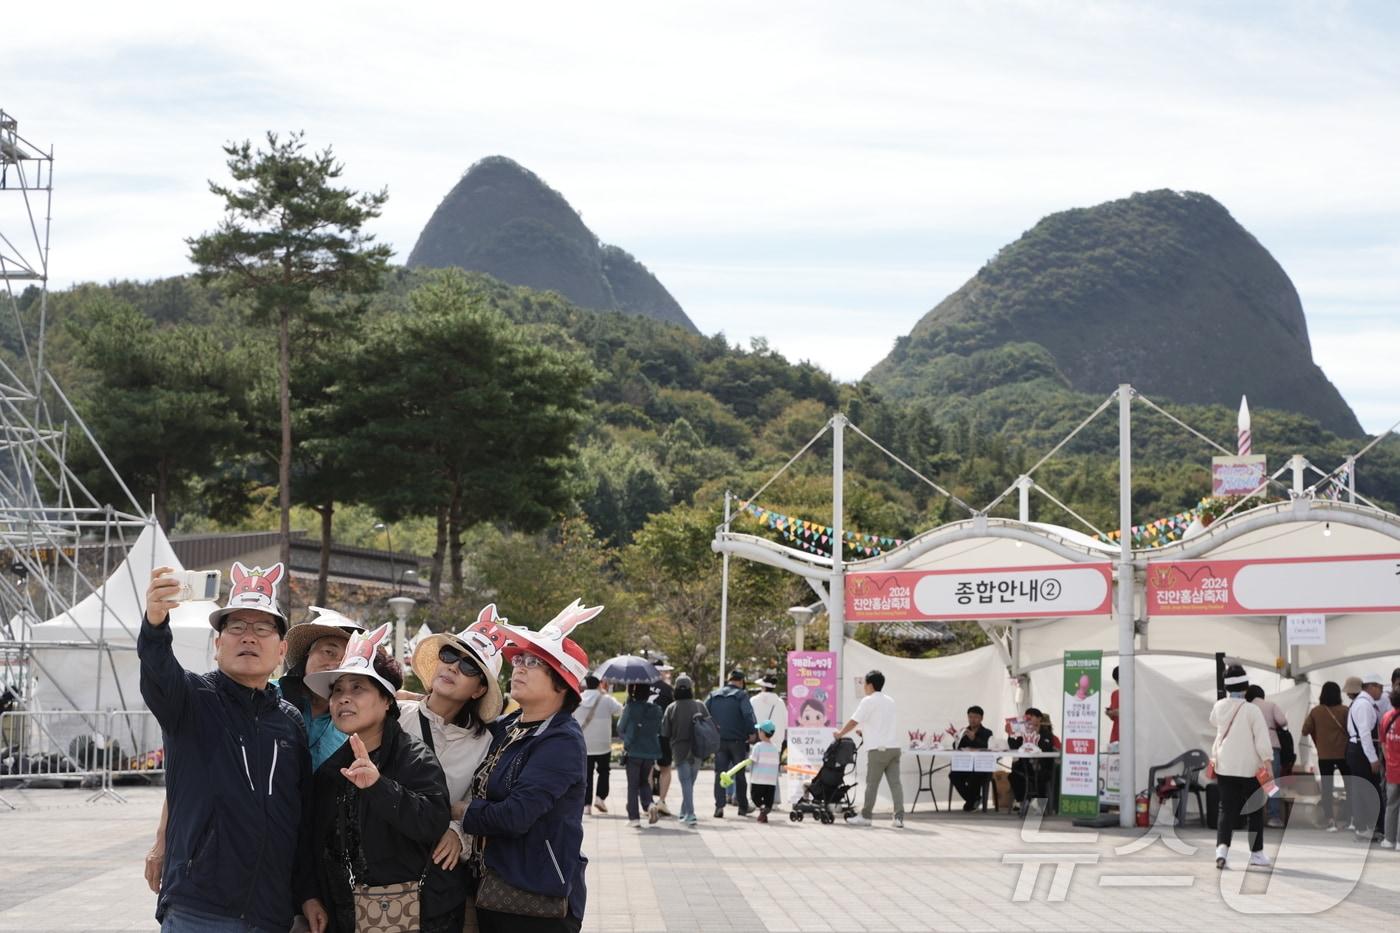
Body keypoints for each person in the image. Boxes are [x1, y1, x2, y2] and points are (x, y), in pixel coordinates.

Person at [138, 562, 319, 933]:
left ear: (281, 649)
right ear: (218, 645)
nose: (248, 637)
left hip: (271, 912)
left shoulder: (289, 723)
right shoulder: (190, 700)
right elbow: (158, 671)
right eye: (236, 627)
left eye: (262, 628)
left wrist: (307, 893)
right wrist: (155, 624)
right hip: (200, 909)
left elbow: (298, 818)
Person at [142, 604, 365, 896]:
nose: (334, 662)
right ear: (303, 654)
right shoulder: (263, 696)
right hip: (219, 876)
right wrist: (163, 838)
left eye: (346, 656)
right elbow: (193, 770)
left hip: (303, 865)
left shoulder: (358, 716)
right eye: (328, 650)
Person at [303, 624, 457, 932]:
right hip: (342, 916)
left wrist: (379, 786)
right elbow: (310, 840)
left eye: (357, 688)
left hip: (411, 916)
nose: (343, 698)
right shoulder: (331, 770)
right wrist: (309, 895)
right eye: (337, 690)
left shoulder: (415, 757)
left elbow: (432, 822)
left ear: (387, 700)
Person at [461, 599, 598, 933]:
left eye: (533, 662)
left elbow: (515, 816)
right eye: (519, 659)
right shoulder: (509, 725)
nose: (518, 667)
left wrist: (459, 811)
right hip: (488, 886)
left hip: (533, 899)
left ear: (562, 683)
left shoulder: (561, 741)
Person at [400, 603, 506, 920]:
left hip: (435, 881)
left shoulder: (486, 744)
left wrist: (458, 832)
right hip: (379, 868)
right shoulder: (394, 718)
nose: (454, 667)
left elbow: (477, 801)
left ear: (479, 690)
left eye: (470, 667)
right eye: (449, 655)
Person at [1211, 665, 1274, 869]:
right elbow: (1262, 741)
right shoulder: (1252, 710)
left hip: (1225, 766)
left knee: (1226, 809)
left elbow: (1213, 722)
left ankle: (1221, 851)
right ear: (1246, 687)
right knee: (1254, 810)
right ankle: (1256, 853)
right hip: (1249, 768)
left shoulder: (1219, 706)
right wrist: (1268, 763)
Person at [835, 669, 905, 828]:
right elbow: (881, 724)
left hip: (878, 751)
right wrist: (864, 731)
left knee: (872, 784)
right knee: (895, 784)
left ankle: (866, 816)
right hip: (894, 748)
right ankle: (899, 818)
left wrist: (840, 734)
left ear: (870, 685)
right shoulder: (890, 701)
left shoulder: (868, 701)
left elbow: (854, 721)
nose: (864, 687)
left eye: (865, 684)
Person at [708, 669, 758, 818]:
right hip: (737, 742)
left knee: (720, 774)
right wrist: (751, 732)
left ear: (729, 680)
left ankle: (719, 807)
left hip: (720, 741)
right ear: (741, 682)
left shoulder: (714, 695)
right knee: (739, 774)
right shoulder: (741, 696)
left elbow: (704, 712)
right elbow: (748, 714)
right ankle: (742, 806)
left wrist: (712, 730)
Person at [1301, 681, 1351, 831]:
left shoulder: (1316, 711)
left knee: (1327, 789)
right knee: (1351, 787)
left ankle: (1330, 820)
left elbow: (1305, 730)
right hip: (1344, 754)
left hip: (1325, 755)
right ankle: (1350, 819)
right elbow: (1351, 731)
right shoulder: (1345, 710)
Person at [660, 674, 708, 826]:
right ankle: (684, 812)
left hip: (679, 750)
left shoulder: (672, 708)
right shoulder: (699, 705)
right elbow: (709, 724)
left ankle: (690, 813)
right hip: (698, 749)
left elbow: (665, 732)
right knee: (690, 783)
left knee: (686, 783)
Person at [1346, 672, 1387, 843]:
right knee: (1369, 790)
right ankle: (1369, 827)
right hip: (1361, 750)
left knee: (1363, 789)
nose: (1381, 692)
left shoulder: (1363, 703)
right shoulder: (1364, 705)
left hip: (1358, 749)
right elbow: (1364, 734)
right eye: (1380, 688)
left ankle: (1365, 826)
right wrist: (1373, 758)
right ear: (1371, 686)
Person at [574, 674, 622, 815]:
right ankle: (600, 798)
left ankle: (586, 805)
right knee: (604, 771)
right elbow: (619, 710)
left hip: (584, 744)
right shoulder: (606, 699)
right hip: (603, 744)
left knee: (586, 775)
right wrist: (605, 693)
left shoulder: (579, 699)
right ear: (599, 684)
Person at [619, 682, 663, 827]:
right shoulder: (657, 709)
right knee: (644, 781)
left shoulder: (630, 708)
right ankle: (649, 804)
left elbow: (620, 727)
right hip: (650, 752)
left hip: (633, 752)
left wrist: (627, 739)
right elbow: (659, 729)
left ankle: (634, 818)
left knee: (632, 785)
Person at [1245, 685, 1289, 827]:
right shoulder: (1270, 705)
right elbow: (1283, 721)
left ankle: (1248, 815)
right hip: (1271, 745)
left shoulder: (1246, 707)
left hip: (1251, 746)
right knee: (1271, 782)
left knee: (1250, 781)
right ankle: (1273, 817)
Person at [1007, 707, 1061, 813]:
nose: (1028, 720)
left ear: (1039, 719)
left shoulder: (1047, 734)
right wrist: (1010, 734)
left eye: (1031, 718)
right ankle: (1022, 801)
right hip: (1024, 766)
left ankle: (1038, 807)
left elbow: (1046, 749)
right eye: (1026, 718)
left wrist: (1034, 735)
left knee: (1039, 778)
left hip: (1042, 767)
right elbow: (1014, 746)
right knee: (1013, 776)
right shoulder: (1022, 733)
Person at [951, 705, 993, 811]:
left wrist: (974, 738)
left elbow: (988, 747)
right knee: (953, 775)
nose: (972, 720)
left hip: (982, 766)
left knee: (974, 775)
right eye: (970, 717)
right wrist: (957, 738)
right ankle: (974, 799)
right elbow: (957, 748)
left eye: (975, 717)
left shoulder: (987, 732)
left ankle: (971, 801)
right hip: (966, 765)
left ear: (981, 718)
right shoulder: (964, 731)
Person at [648, 664, 676, 813]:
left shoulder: (641, 686)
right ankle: (661, 801)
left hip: (645, 734)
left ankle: (648, 802)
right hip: (663, 733)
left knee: (648, 768)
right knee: (665, 768)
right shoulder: (667, 690)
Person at [748, 721, 781, 822]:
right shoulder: (775, 748)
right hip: (771, 781)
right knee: (768, 800)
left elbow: (752, 760)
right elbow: (777, 763)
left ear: (762, 733)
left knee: (755, 798)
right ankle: (764, 812)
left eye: (759, 730)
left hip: (758, 779)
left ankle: (762, 808)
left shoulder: (758, 746)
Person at [1381, 687, 1400, 849]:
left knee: (1391, 804)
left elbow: (1383, 743)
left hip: (1391, 769)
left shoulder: (1386, 718)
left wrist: (1389, 761)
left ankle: (1389, 839)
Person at [1106, 666, 1120, 745]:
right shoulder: (1115, 694)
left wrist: (1117, 712)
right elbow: (1113, 718)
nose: (1118, 682)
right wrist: (1109, 713)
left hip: (1131, 735)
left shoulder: (1135, 693)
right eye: (1117, 680)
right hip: (1116, 736)